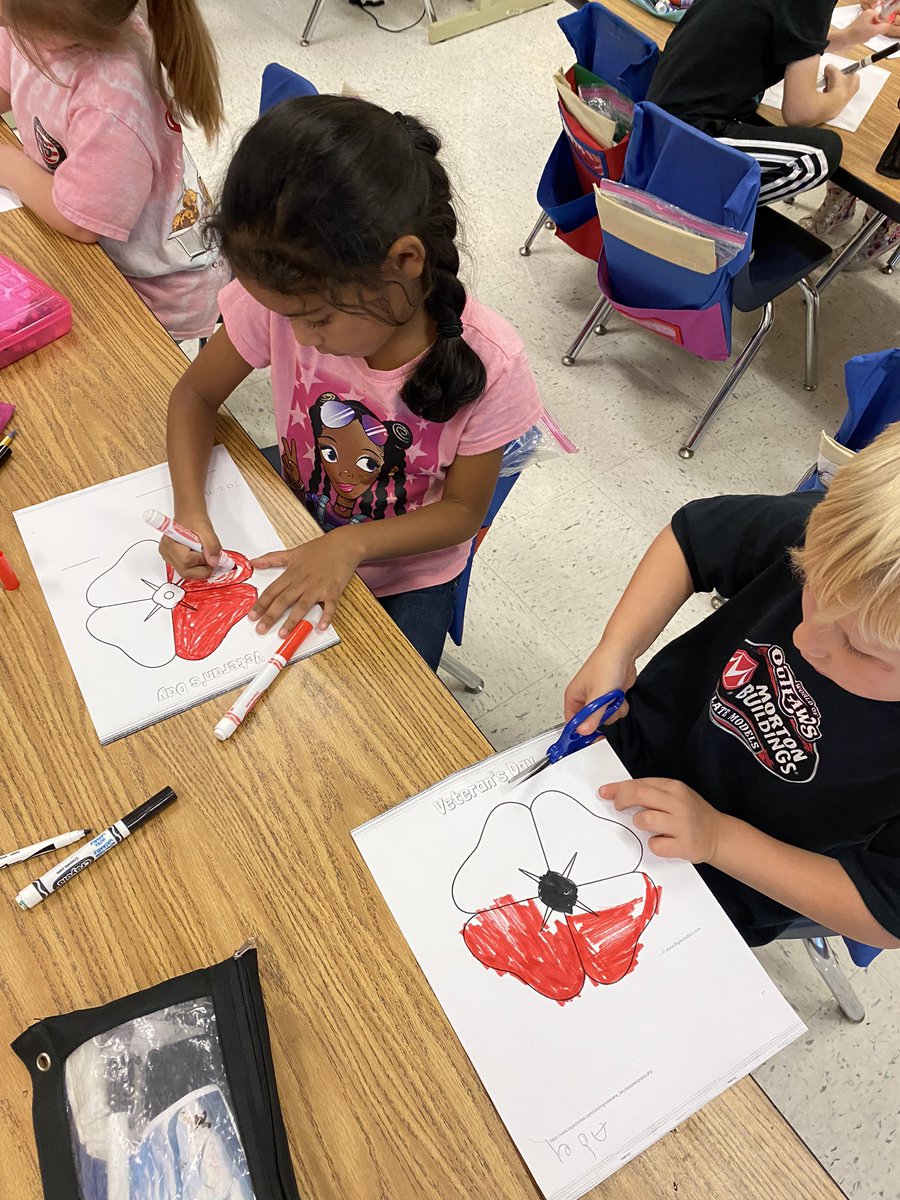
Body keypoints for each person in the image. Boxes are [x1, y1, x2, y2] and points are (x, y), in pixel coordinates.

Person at [161, 96, 543, 671]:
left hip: (403, 573)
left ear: (405, 261)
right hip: (291, 510)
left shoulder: (491, 363)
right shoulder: (290, 296)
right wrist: (189, 508)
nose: (300, 338)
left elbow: (464, 512)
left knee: (389, 727)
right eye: (286, 317)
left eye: (315, 319)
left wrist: (348, 543)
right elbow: (194, 395)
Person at [564, 424, 900, 949]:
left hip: (724, 884)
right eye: (810, 587)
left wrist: (719, 839)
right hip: (626, 752)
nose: (804, 637)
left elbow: (885, 912)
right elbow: (692, 538)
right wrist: (617, 648)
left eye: (859, 649)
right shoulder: (846, 545)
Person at [0, 0, 225, 342]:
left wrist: (5, 163)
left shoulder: (111, 99)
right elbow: (6, 79)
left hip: (157, 294)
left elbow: (79, 222)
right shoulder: (34, 25)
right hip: (91, 247)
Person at [645, 0, 896, 204]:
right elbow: (800, 112)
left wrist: (847, 37)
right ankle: (708, 213)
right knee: (820, 154)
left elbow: (787, 27)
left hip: (655, 116)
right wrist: (841, 95)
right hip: (687, 136)